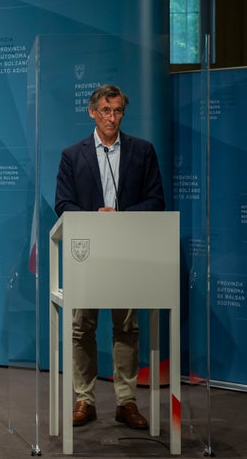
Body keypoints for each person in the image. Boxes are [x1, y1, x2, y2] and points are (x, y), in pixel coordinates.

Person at [54, 84, 165, 430]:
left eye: (117, 111)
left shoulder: (142, 151)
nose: (111, 118)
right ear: (92, 112)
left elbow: (156, 200)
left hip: (127, 251)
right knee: (81, 327)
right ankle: (84, 400)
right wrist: (95, 220)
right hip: (86, 253)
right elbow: (62, 204)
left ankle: (126, 401)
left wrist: (121, 216)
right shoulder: (73, 155)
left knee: (127, 327)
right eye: (105, 110)